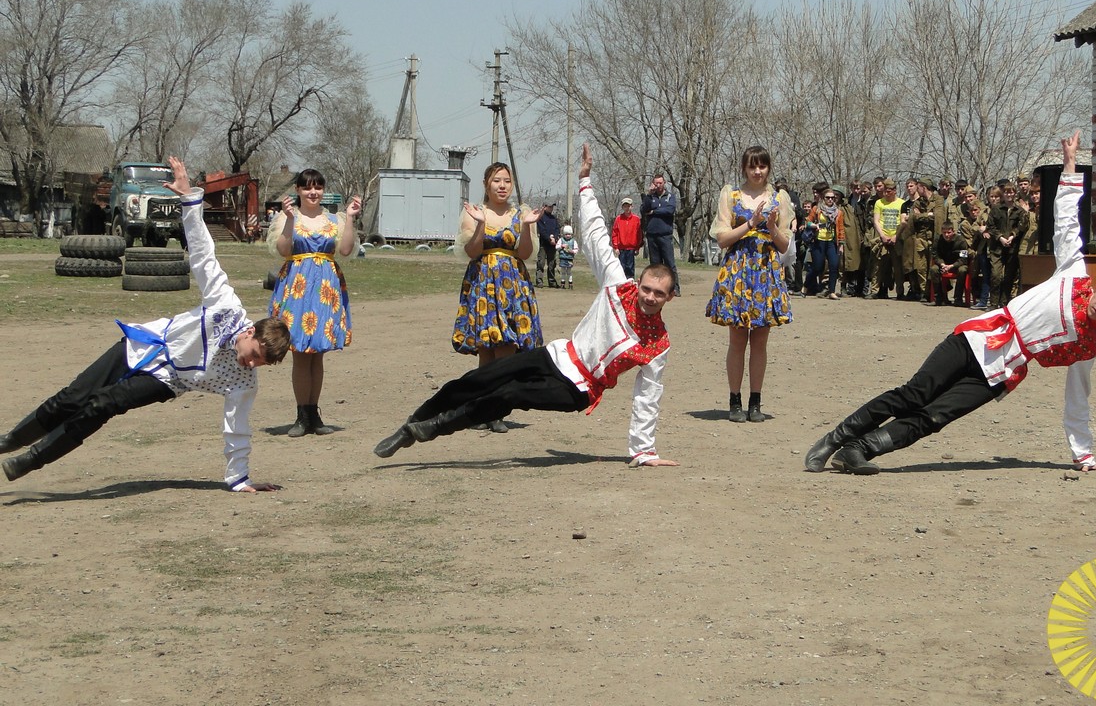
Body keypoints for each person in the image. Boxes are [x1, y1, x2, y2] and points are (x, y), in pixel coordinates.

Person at [803, 131, 1096, 476]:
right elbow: (1068, 222)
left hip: (1002, 369)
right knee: (914, 394)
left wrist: (1084, 456)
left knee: (936, 417)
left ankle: (859, 450)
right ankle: (833, 439)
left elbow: (1078, 398)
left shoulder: (1087, 345)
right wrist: (1070, 166)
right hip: (978, 337)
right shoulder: (1076, 275)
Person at [375, 143, 678, 467]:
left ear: (669, 297)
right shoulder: (619, 287)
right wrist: (585, 183)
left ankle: (431, 429)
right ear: (639, 283)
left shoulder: (657, 344)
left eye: (658, 294)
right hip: (558, 355)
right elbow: (596, 235)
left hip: (580, 388)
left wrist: (644, 451)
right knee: (483, 378)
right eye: (647, 289)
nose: (649, 297)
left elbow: (648, 395)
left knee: (508, 396)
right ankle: (413, 422)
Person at [1, 157, 290, 491]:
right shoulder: (225, 306)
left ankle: (30, 460)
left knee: (104, 404)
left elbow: (237, 425)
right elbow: (202, 255)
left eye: (260, 363)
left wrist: (239, 478)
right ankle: (11, 440)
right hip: (147, 343)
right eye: (254, 354)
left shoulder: (244, 382)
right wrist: (189, 201)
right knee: (72, 397)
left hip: (169, 379)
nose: (251, 363)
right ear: (249, 331)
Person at [452, 161, 544, 433]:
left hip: (512, 285)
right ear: (486, 185)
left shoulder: (522, 214)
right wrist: (481, 225)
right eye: (496, 181)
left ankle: (497, 409)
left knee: (507, 349)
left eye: (506, 181)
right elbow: (471, 251)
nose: (502, 186)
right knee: (486, 349)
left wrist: (526, 227)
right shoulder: (474, 213)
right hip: (482, 282)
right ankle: (482, 408)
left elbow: (526, 254)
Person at [268, 170, 362, 437]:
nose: (313, 192)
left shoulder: (335, 219)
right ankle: (300, 415)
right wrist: (287, 220)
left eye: (318, 188)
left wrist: (351, 218)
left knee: (317, 353)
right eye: (307, 188)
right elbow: (284, 250)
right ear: (298, 190)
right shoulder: (290, 217)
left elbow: (344, 250)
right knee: (300, 353)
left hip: (325, 287)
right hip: (296, 287)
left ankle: (314, 414)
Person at [705, 146, 794, 423]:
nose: (757, 171)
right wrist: (750, 224)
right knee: (737, 340)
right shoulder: (730, 195)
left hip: (766, 273)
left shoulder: (779, 198)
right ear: (744, 167)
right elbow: (721, 238)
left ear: (769, 168)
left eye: (762, 166)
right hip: (738, 272)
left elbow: (786, 247)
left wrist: (771, 227)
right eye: (752, 166)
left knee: (760, 342)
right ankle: (735, 401)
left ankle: (755, 402)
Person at [641, 173, 680, 296]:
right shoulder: (650, 197)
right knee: (655, 265)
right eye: (656, 183)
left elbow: (670, 210)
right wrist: (648, 194)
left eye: (660, 183)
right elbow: (644, 209)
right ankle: (656, 289)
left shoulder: (670, 197)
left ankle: (674, 289)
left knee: (669, 264)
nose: (658, 185)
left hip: (665, 235)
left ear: (664, 183)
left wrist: (654, 211)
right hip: (652, 235)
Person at [804, 186, 845, 299]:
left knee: (834, 265)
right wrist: (814, 225)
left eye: (833, 198)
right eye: (828, 198)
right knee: (817, 267)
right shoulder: (817, 209)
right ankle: (806, 285)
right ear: (823, 198)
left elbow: (841, 229)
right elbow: (807, 221)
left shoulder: (839, 213)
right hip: (819, 241)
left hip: (831, 242)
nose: (831, 200)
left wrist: (841, 244)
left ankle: (832, 291)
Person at [929, 222, 972, 306]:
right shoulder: (938, 240)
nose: (946, 235)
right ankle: (939, 298)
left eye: (949, 232)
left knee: (963, 270)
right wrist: (942, 264)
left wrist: (952, 266)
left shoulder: (961, 241)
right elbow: (935, 255)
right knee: (933, 269)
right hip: (943, 264)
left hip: (957, 265)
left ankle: (958, 298)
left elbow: (964, 258)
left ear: (953, 231)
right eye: (944, 232)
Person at [610, 196, 643, 280]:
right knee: (621, 267)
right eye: (625, 206)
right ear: (622, 207)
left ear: (631, 206)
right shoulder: (618, 219)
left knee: (630, 268)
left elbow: (639, 234)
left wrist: (637, 247)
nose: (627, 208)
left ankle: (630, 284)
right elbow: (615, 233)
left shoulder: (636, 219)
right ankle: (621, 284)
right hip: (621, 248)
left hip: (631, 248)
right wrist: (615, 247)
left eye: (628, 206)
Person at [535, 203, 560, 288]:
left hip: (552, 245)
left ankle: (552, 281)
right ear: (544, 207)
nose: (551, 208)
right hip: (543, 244)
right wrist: (549, 239)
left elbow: (557, 229)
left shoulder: (554, 218)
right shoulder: (541, 218)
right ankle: (539, 281)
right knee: (541, 263)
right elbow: (542, 230)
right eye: (550, 207)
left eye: (552, 207)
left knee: (552, 264)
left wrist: (555, 238)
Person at [556, 224, 579, 289]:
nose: (568, 236)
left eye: (569, 234)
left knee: (569, 271)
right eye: (566, 234)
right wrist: (561, 246)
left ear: (571, 234)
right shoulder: (561, 240)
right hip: (563, 258)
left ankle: (570, 283)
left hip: (569, 258)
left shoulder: (573, 241)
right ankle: (562, 283)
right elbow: (557, 247)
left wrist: (572, 251)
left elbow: (576, 249)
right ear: (564, 234)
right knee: (563, 271)